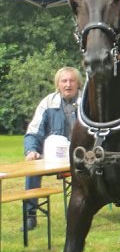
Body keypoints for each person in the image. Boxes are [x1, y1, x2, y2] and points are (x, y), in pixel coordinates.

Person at [23, 66, 82, 229]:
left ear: (79, 84)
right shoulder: (48, 102)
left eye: (72, 81)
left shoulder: (87, 102)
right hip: (54, 159)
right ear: (58, 84)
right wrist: (31, 150)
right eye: (64, 81)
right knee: (31, 170)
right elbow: (33, 131)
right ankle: (31, 216)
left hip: (83, 157)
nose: (68, 85)